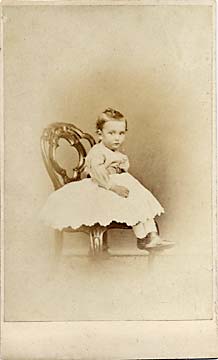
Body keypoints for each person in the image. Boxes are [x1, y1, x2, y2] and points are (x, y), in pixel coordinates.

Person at [40, 107, 173, 253]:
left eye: (121, 133)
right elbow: (97, 174)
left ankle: (150, 236)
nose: (117, 138)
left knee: (140, 200)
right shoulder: (97, 152)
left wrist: (121, 168)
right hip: (103, 187)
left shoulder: (114, 152)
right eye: (111, 133)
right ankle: (144, 237)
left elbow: (122, 168)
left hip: (117, 186)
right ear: (100, 134)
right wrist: (113, 186)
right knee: (133, 201)